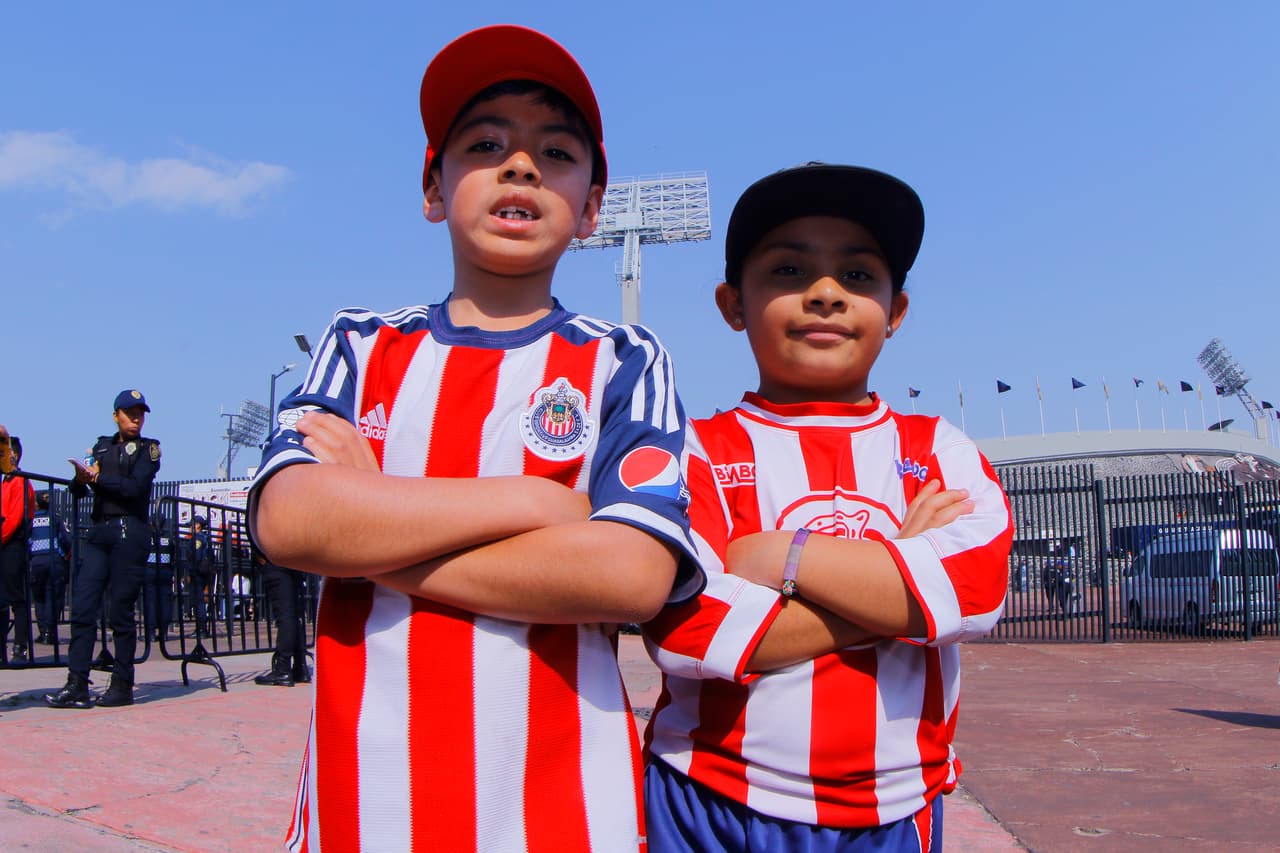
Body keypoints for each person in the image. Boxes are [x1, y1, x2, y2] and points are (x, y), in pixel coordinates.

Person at [249, 25, 700, 851]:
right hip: (368, 810)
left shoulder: (623, 360)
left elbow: (632, 575)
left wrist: (368, 524)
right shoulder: (360, 345)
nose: (521, 164)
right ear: (433, 187)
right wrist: (533, 502)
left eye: (556, 151)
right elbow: (289, 523)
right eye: (486, 143)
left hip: (565, 817)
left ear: (593, 208)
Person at [642, 163, 1014, 852]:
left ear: (896, 311)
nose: (824, 294)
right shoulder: (695, 450)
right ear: (732, 304)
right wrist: (897, 583)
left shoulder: (937, 449)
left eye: (859, 276)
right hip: (710, 796)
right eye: (787, 271)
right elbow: (687, 629)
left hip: (893, 806)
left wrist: (786, 556)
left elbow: (975, 590)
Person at [45, 390, 161, 709]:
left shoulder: (149, 449)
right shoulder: (101, 446)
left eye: (140, 412)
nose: (136, 418)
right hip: (99, 531)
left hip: (130, 530)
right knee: (82, 607)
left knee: (120, 611)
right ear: (116, 416)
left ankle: (122, 683)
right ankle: (77, 683)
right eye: (129, 412)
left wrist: (100, 478)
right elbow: (79, 491)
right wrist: (82, 479)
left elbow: (135, 488)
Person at [1, 436, 35, 664]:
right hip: (5, 544)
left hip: (12, 545)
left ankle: (20, 645)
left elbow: (13, 519)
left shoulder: (21, 482)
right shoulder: (6, 482)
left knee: (16, 599)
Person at [252, 547, 309, 687]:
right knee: (295, 614)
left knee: (285, 615)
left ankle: (283, 669)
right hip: (295, 560)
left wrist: (261, 557)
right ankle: (300, 666)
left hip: (276, 560)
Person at [30, 490, 72, 645]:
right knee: (53, 597)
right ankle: (50, 633)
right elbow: (67, 540)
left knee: (39, 598)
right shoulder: (56, 519)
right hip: (54, 561)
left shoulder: (31, 520)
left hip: (36, 561)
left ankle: (42, 632)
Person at [143, 513, 175, 642]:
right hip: (165, 570)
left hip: (150, 570)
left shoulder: (147, 536)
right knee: (165, 601)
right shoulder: (169, 537)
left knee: (150, 601)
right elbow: (173, 553)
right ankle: (164, 632)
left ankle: (150, 632)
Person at [183, 515, 213, 635]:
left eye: (191, 524)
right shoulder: (205, 537)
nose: (190, 527)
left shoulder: (198, 538)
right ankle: (201, 628)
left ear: (198, 525)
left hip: (197, 572)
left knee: (198, 601)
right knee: (199, 600)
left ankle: (201, 629)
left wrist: (192, 571)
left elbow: (196, 556)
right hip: (202, 572)